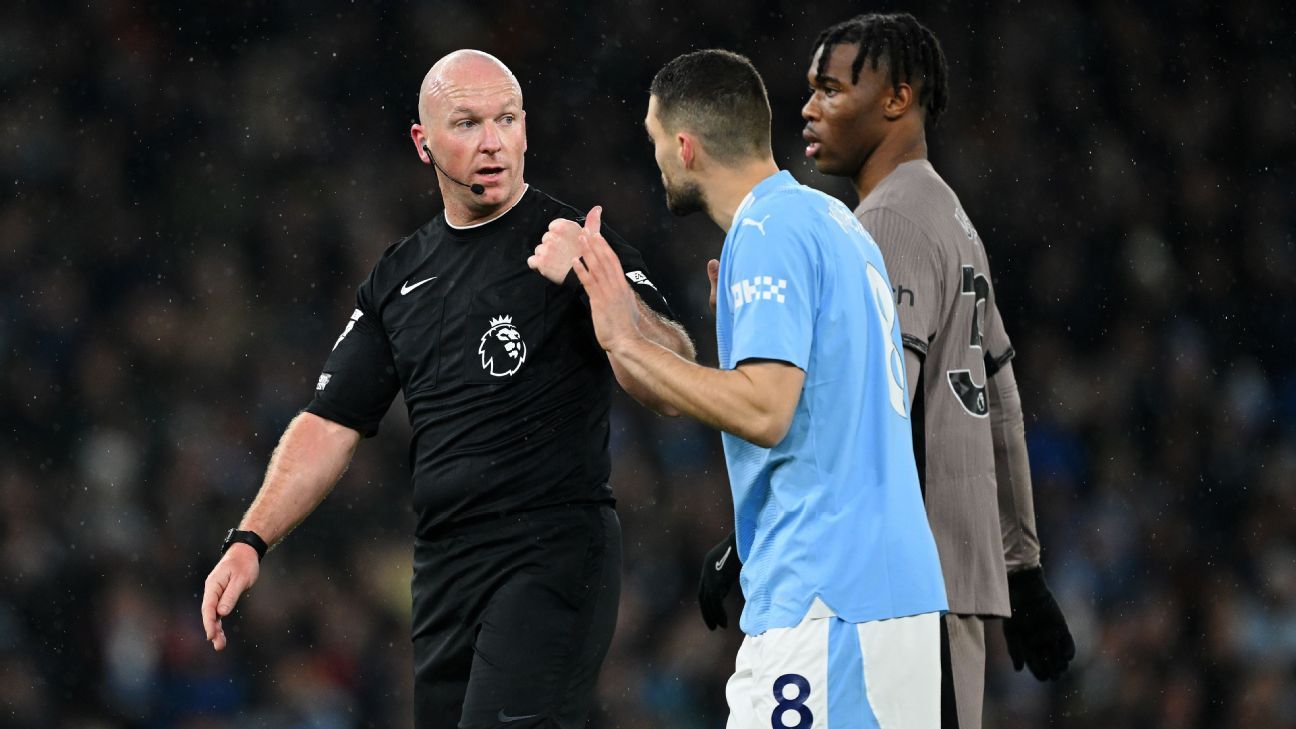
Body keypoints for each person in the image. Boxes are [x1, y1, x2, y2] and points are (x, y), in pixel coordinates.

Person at [199, 49, 694, 729]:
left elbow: (676, 374)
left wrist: (603, 290)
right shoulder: (401, 277)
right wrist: (249, 538)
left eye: (506, 119)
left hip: (549, 551)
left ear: (526, 129)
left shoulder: (575, 241)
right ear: (422, 142)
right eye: (466, 123)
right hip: (442, 571)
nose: (492, 141)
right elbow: (331, 419)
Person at [563, 49, 948, 727]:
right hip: (890, 594)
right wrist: (748, 541)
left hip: (826, 600)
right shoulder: (833, 224)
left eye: (655, 143)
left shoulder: (767, 234)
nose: (655, 162)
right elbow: (838, 408)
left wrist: (622, 337)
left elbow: (768, 409)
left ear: (684, 146)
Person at [776, 13, 1070, 729]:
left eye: (831, 89)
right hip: (945, 579)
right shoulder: (948, 213)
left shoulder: (890, 224)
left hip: (900, 585)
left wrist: (766, 533)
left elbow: (877, 411)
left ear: (897, 99)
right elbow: (1000, 396)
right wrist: (1021, 564)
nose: (810, 108)